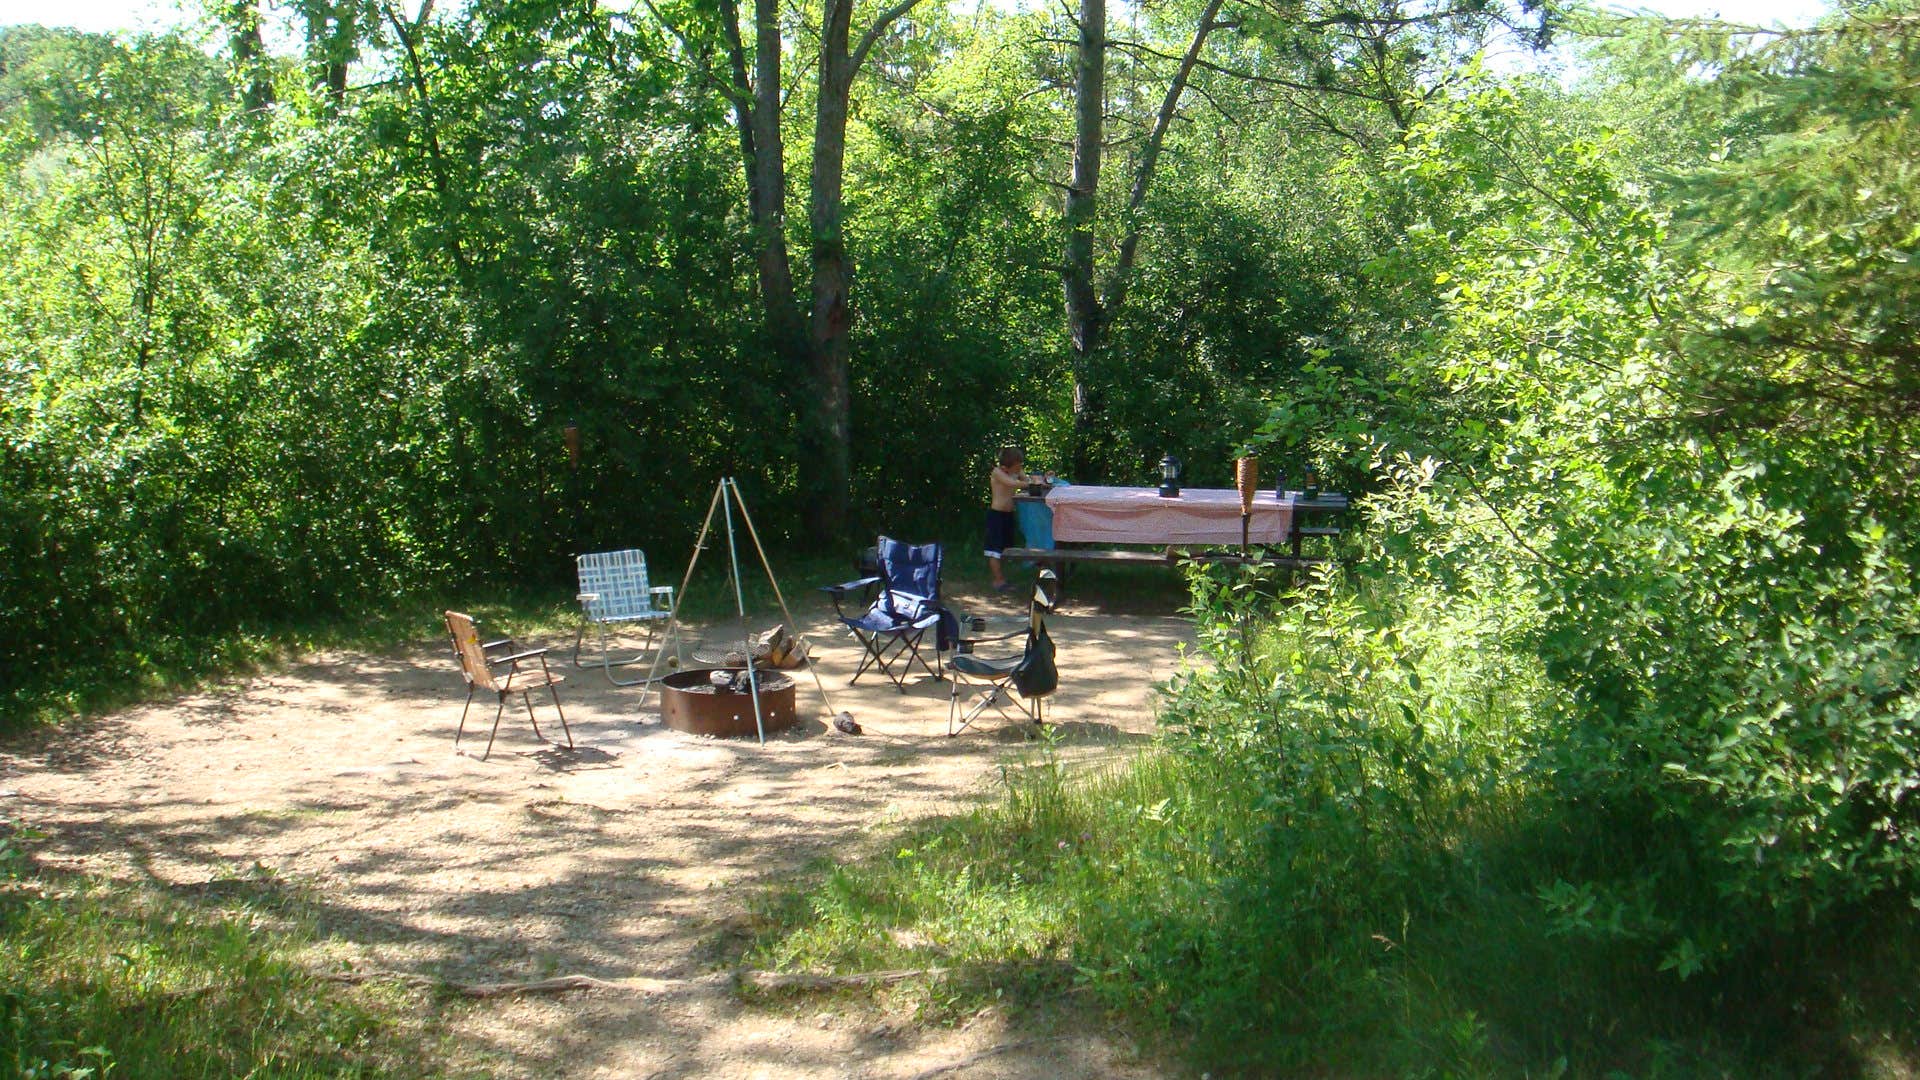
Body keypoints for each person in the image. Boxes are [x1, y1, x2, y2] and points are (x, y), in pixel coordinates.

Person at [985, 448, 1051, 592]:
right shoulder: (998, 472)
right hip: (997, 515)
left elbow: (1026, 480)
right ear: (1005, 466)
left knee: (1007, 548)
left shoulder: (1015, 471)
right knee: (995, 550)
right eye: (1017, 466)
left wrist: (1037, 480)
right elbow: (1013, 484)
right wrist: (1034, 484)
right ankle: (998, 581)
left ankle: (1005, 575)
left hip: (1008, 514)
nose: (1019, 468)